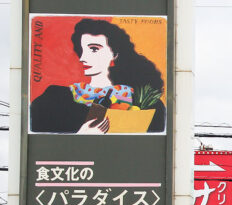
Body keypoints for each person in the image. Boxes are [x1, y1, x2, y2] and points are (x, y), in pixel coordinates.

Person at [30, 18, 165, 133]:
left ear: (115, 54)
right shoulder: (56, 97)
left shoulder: (145, 102)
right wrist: (80, 136)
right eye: (82, 50)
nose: (83, 58)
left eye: (94, 49)